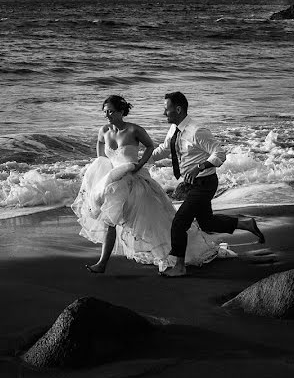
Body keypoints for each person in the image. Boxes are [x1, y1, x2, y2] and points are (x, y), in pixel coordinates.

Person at [72, 95, 222, 273]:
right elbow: (102, 159)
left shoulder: (135, 130)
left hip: (135, 182)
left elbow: (151, 147)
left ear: (121, 111)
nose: (107, 115)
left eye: (111, 111)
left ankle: (171, 256)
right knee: (109, 220)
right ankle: (102, 263)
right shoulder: (103, 131)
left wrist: (141, 164)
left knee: (155, 223)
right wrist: (100, 175)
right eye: (105, 112)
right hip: (113, 182)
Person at [149, 91, 265, 277]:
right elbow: (164, 149)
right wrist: (142, 158)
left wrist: (199, 167)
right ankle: (245, 224)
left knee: (179, 223)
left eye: (166, 109)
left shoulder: (197, 131)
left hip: (204, 183)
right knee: (207, 223)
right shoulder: (175, 129)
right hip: (192, 185)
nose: (164, 113)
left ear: (178, 109)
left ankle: (179, 266)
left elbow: (219, 154)